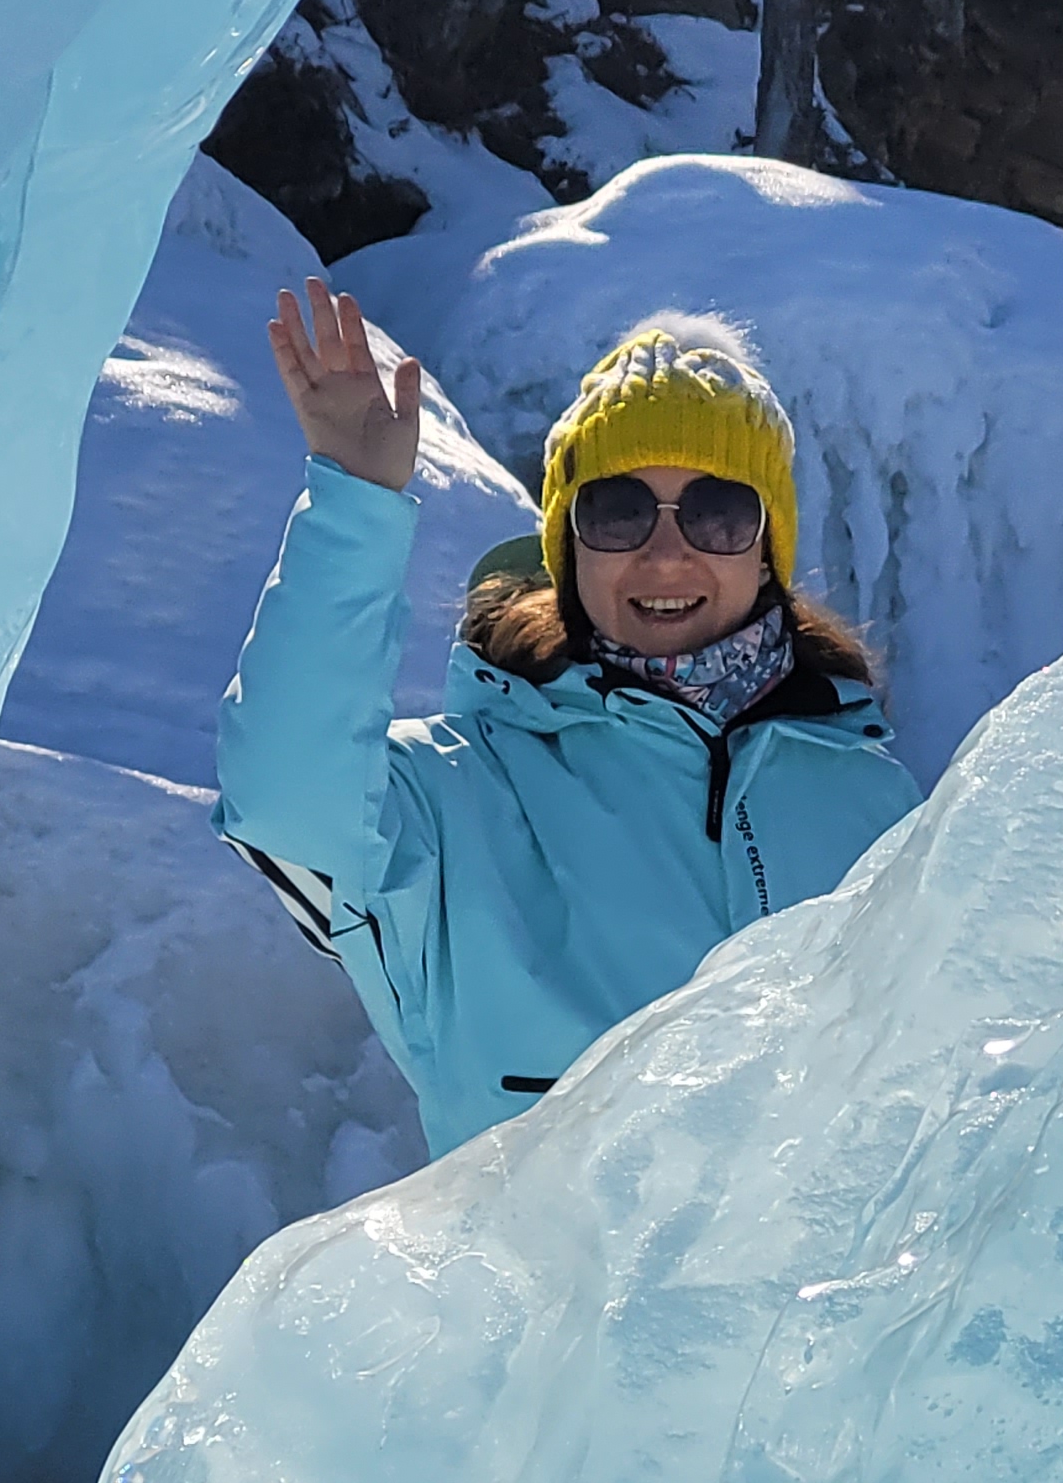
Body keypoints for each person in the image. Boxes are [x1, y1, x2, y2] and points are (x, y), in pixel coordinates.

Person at [213, 280, 923, 1154]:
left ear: (769, 547)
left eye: (718, 512)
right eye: (619, 511)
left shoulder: (873, 799)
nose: (668, 552)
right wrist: (356, 503)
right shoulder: (456, 798)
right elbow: (284, 800)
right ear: (567, 546)